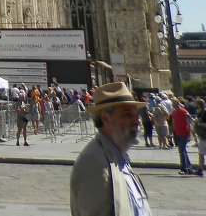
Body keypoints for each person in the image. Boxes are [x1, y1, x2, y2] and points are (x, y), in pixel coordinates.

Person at [69, 81, 151, 216]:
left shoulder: (117, 156)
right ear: (106, 118)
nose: (137, 121)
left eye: (136, 115)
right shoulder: (94, 164)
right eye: (127, 115)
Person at [169, 98, 194, 175]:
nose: (173, 105)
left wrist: (189, 134)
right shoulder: (173, 113)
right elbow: (173, 124)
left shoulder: (184, 112)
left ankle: (184, 169)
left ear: (177, 104)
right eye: (172, 103)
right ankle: (189, 168)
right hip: (178, 133)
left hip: (184, 133)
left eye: (174, 103)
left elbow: (189, 124)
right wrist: (170, 133)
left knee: (181, 151)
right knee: (183, 151)